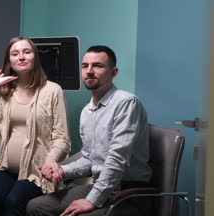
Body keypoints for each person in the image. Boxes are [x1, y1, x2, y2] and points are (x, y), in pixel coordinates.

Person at [26, 45, 152, 216]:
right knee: (36, 207)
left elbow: (117, 159)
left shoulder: (126, 103)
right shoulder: (87, 111)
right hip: (101, 186)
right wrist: (62, 171)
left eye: (97, 66)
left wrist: (92, 200)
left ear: (113, 72)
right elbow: (90, 159)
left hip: (129, 192)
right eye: (85, 66)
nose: (89, 71)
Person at [0, 36, 71, 216]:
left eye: (26, 52)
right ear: (9, 61)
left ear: (35, 57)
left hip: (36, 172)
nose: (21, 57)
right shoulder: (2, 90)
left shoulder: (52, 90)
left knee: (14, 202)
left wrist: (51, 159)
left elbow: (62, 138)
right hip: (1, 167)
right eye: (15, 53)